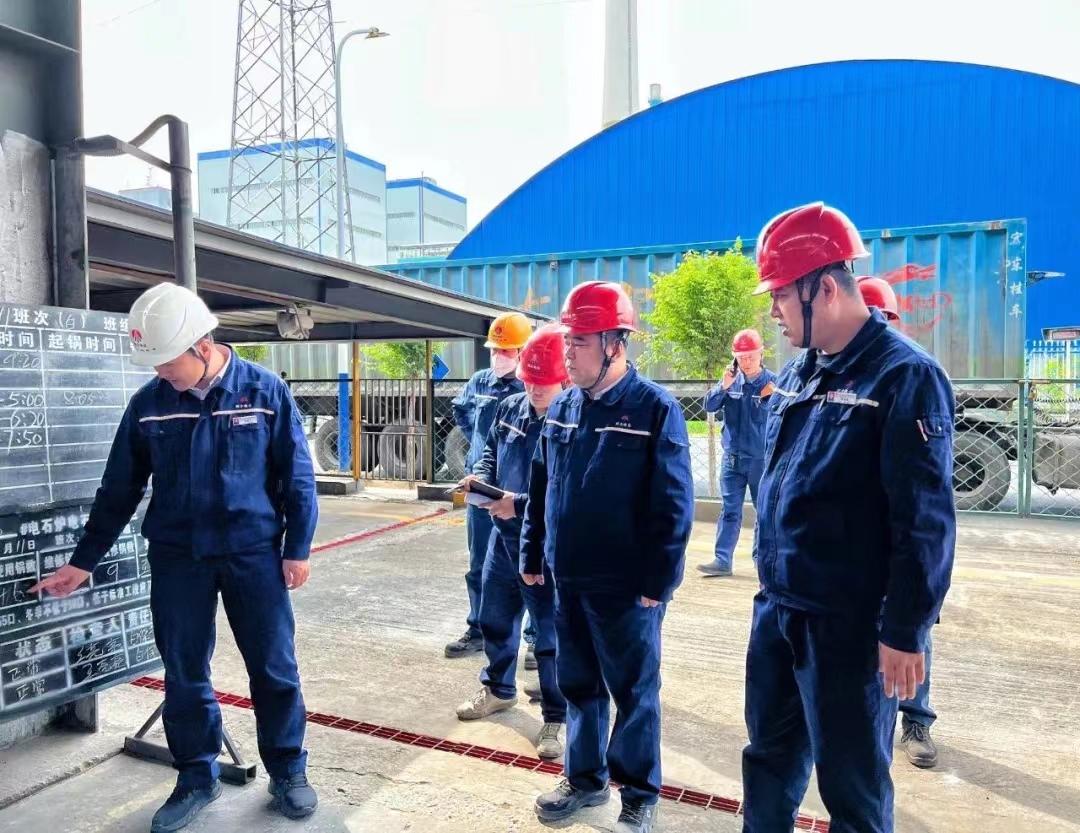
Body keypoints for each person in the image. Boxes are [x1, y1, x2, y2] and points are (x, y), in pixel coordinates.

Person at [29, 283, 319, 832]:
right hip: (178, 556)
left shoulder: (264, 390)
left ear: (202, 347)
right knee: (184, 670)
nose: (161, 372)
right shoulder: (150, 403)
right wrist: (83, 561)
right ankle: (196, 776)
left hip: (253, 553)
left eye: (167, 361)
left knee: (273, 665)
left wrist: (297, 548)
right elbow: (119, 489)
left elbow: (297, 476)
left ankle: (287, 770)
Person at [742, 203, 956, 832]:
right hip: (779, 607)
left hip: (848, 627)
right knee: (768, 761)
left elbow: (924, 521)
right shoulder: (802, 370)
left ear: (825, 289)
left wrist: (906, 630)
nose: (774, 311)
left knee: (852, 784)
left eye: (781, 295)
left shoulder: (905, 376)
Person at [521, 282, 694, 833]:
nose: (567, 353)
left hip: (626, 588)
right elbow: (541, 486)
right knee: (579, 686)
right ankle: (585, 779)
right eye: (567, 341)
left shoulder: (655, 409)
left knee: (634, 693)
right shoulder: (564, 406)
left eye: (579, 342)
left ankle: (639, 794)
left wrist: (658, 581)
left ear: (615, 344)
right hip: (567, 578)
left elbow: (673, 504)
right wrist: (532, 552)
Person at [455, 324, 569, 759]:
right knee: (495, 617)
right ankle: (498, 688)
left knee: (549, 634)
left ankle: (556, 714)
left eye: (543, 383)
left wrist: (515, 504)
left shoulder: (570, 420)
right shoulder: (510, 408)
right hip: (503, 539)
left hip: (542, 544)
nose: (534, 389)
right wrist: (481, 481)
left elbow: (564, 488)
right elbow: (490, 451)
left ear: (563, 379)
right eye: (530, 380)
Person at [859, 274, 940, 768]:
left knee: (912, 631)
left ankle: (916, 718)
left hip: (903, 545)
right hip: (861, 553)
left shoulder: (911, 375)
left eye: (882, 320)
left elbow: (926, 501)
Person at [445, 312, 534, 658]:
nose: (499, 356)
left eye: (506, 350)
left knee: (532, 565)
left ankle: (537, 638)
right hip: (482, 489)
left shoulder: (531, 387)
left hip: (519, 493)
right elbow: (461, 411)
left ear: (523, 351)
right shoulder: (481, 382)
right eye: (495, 350)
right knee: (480, 562)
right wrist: (478, 444)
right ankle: (479, 629)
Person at [698, 329, 776, 577]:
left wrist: (771, 398)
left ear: (761, 354)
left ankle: (761, 562)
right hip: (732, 459)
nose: (746, 361)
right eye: (741, 357)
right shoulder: (731, 381)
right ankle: (722, 560)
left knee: (763, 512)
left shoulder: (773, 384)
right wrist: (723, 386)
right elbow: (709, 406)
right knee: (730, 510)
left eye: (751, 356)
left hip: (760, 461)